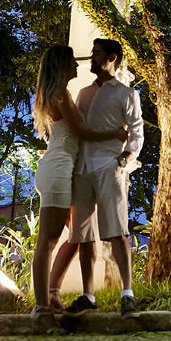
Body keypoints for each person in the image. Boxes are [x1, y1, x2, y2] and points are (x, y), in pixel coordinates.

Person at [30, 45, 127, 333]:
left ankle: (50, 296)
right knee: (47, 242)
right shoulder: (61, 94)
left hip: (62, 169)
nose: (76, 64)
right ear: (61, 65)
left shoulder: (57, 94)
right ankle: (42, 311)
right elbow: (82, 132)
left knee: (69, 236)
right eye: (71, 61)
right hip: (59, 170)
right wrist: (116, 133)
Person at [54, 38, 144, 318]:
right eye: (92, 53)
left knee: (118, 230)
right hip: (82, 169)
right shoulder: (83, 94)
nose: (91, 58)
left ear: (112, 57)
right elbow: (77, 130)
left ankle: (127, 294)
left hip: (109, 166)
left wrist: (124, 160)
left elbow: (137, 132)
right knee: (84, 235)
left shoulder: (126, 94)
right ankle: (88, 295)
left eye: (96, 54)